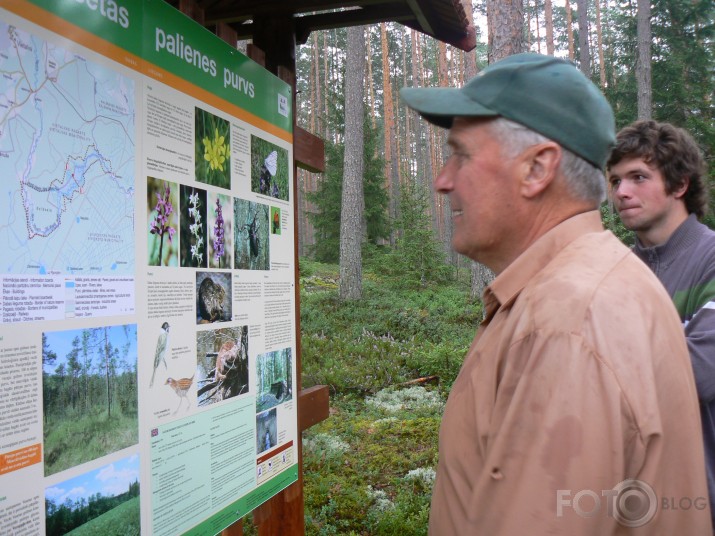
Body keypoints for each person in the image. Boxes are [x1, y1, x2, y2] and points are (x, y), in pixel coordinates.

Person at [400, 53, 711, 534]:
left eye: (460, 154)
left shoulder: (570, 319)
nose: (443, 180)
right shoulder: (585, 286)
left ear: (537, 169)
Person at [608, 120, 715, 531]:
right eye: (615, 180)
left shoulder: (710, 259)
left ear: (680, 184)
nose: (621, 192)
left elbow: (701, 372)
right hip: (628, 498)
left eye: (638, 177)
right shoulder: (612, 268)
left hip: (703, 495)